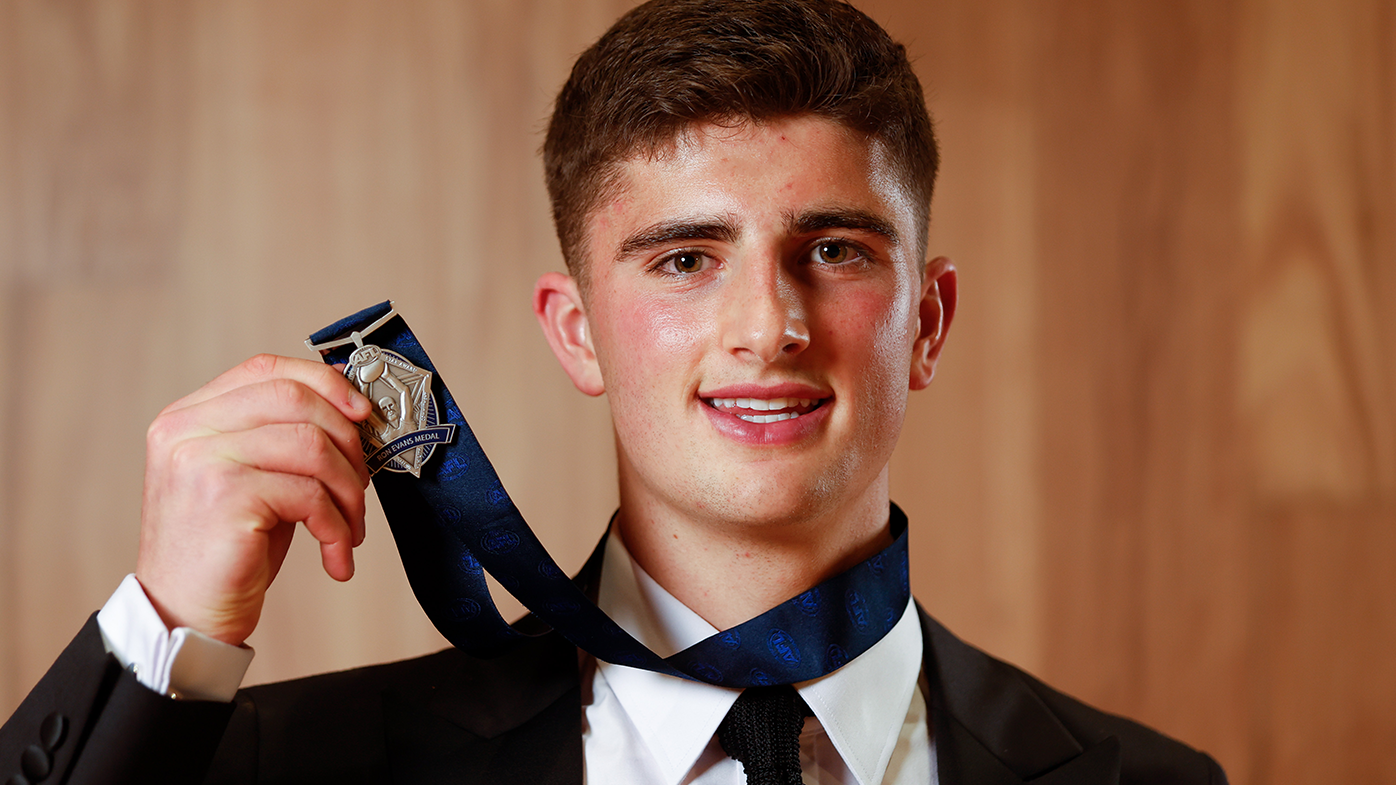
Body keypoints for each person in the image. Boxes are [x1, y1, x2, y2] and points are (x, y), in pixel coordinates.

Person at [1, 1, 1228, 783]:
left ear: (928, 322)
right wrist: (163, 631)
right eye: (687, 259)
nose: (769, 324)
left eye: (837, 250)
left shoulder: (1155, 782)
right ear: (578, 334)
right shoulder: (288, 762)